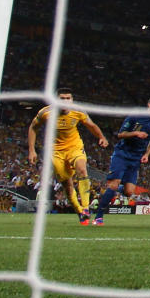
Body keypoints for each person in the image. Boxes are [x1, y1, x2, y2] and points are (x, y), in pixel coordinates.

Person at [27, 88, 109, 225]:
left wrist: (101, 137)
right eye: (62, 98)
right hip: (56, 152)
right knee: (67, 184)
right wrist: (31, 150)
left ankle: (85, 207)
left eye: (68, 98)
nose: (65, 101)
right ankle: (80, 212)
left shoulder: (78, 111)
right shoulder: (45, 112)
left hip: (74, 148)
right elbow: (33, 127)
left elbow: (91, 125)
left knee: (82, 169)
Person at [93, 96, 150, 226]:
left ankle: (114, 188)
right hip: (122, 154)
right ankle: (98, 217)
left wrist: (147, 154)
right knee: (113, 184)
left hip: (136, 158)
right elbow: (120, 134)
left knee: (128, 192)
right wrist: (135, 134)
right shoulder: (135, 116)